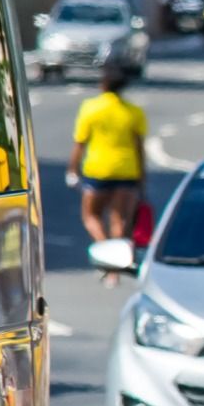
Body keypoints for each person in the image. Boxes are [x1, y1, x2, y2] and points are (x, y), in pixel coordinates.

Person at [69, 62, 147, 273]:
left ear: (103, 84)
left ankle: (104, 250)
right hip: (127, 169)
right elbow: (139, 147)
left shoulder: (91, 108)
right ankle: (117, 265)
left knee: (90, 215)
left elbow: (80, 142)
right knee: (119, 219)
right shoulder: (133, 112)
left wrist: (72, 169)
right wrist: (142, 177)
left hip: (98, 169)